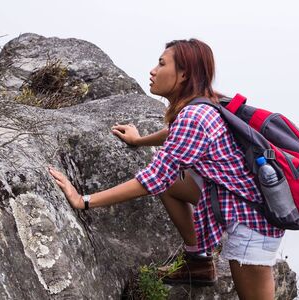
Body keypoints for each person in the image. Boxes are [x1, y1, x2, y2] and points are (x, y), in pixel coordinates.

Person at [49, 38, 284, 299]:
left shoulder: (194, 116)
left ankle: (199, 261)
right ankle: (198, 262)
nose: (153, 70)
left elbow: (151, 180)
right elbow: (177, 134)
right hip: (239, 205)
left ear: (183, 74)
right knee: (173, 184)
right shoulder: (205, 103)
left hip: (251, 225)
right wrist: (139, 141)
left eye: (161, 64)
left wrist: (84, 201)